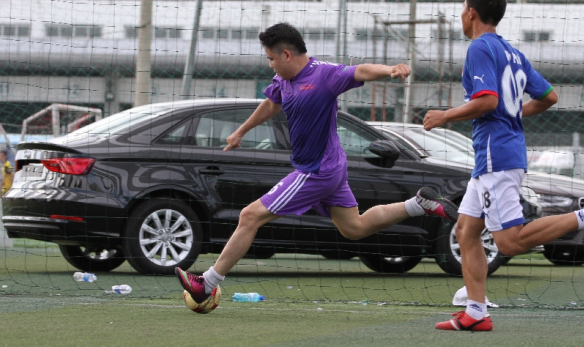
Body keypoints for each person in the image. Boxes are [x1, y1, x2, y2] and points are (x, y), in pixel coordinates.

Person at [176, 22, 457, 306]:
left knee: (250, 215)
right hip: (330, 168)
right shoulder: (283, 81)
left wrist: (390, 70)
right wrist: (241, 131)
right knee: (354, 228)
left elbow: (359, 71)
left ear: (286, 54)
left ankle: (207, 283)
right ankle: (419, 204)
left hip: (316, 171)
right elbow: (272, 103)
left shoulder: (324, 75)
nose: (270, 65)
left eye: (271, 59)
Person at [422, 0, 584, 331]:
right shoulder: (512, 53)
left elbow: (485, 100)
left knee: (509, 241)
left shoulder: (479, 47)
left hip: (496, 154)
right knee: (466, 230)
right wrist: (512, 113)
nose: (460, 13)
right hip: (497, 153)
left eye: (461, 7)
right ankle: (476, 311)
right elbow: (549, 96)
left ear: (471, 12)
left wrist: (445, 116)